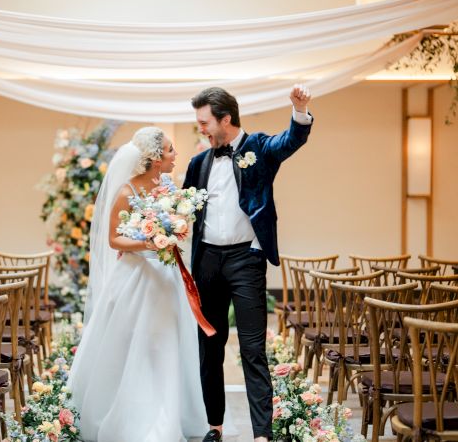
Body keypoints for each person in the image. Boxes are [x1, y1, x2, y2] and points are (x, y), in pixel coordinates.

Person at [183, 85, 313, 442]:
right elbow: (182, 211)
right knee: (210, 346)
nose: (201, 129)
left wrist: (299, 111)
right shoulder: (198, 163)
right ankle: (214, 426)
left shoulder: (258, 147)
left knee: (253, 349)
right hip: (207, 261)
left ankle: (261, 435)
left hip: (246, 259)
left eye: (204, 122)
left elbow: (289, 141)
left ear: (226, 119)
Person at [68, 126, 207, 442]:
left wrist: (177, 229)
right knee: (136, 342)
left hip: (167, 276)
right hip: (137, 277)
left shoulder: (171, 186)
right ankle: (132, 414)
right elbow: (114, 239)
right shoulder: (126, 192)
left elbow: (180, 221)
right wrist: (149, 243)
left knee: (167, 342)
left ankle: (170, 413)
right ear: (157, 158)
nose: (175, 156)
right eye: (171, 150)